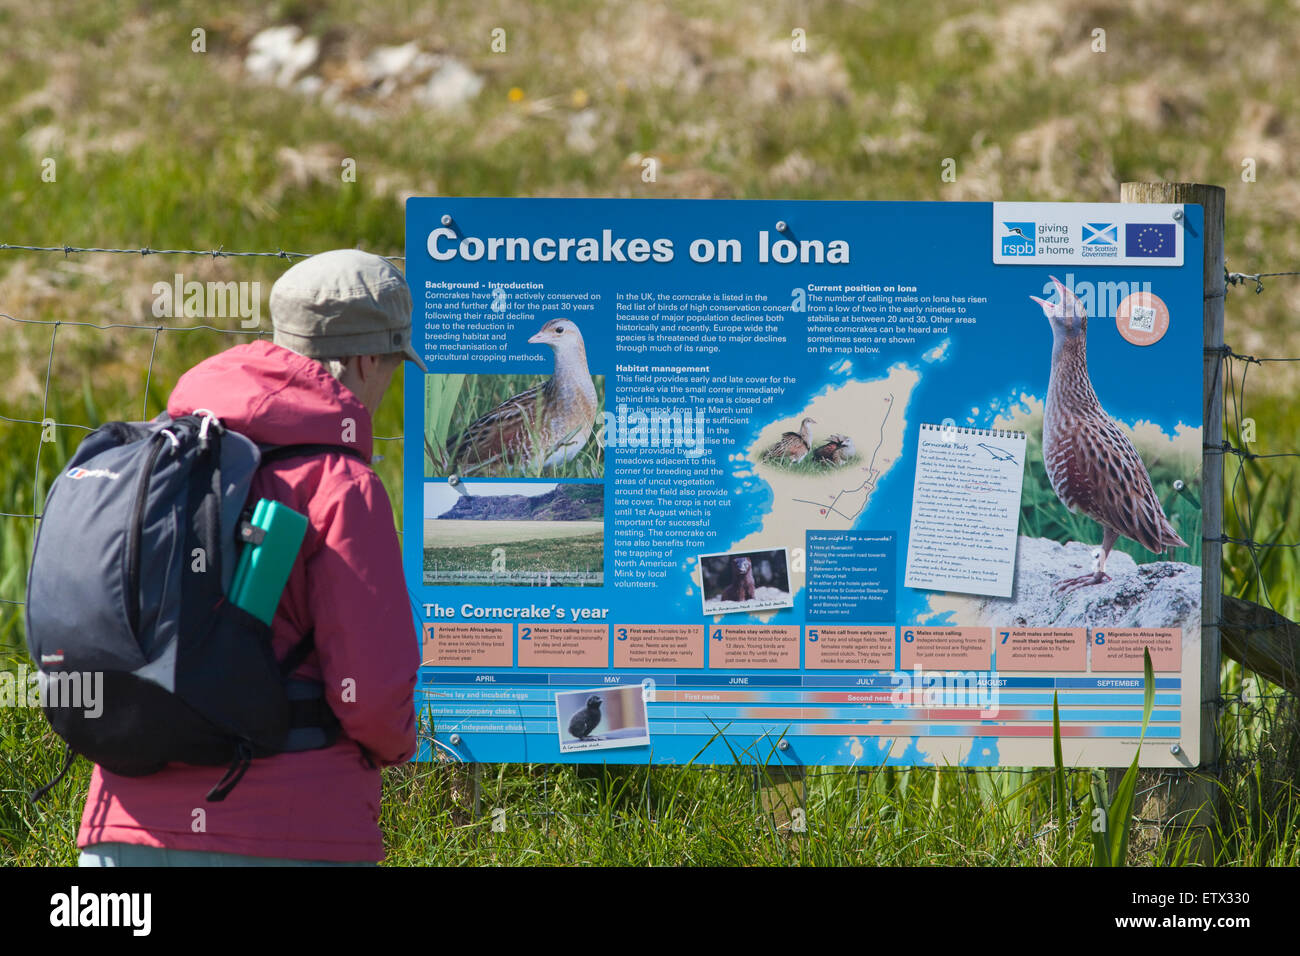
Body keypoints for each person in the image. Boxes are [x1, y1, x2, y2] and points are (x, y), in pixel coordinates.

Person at [78, 249, 424, 866]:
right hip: (285, 831)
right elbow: (370, 694)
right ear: (369, 358)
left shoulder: (161, 456)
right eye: (393, 366)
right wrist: (402, 743)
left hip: (120, 828)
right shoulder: (340, 484)